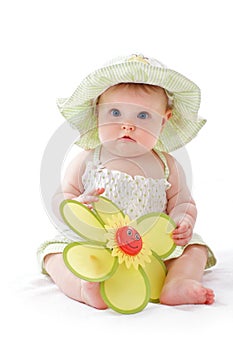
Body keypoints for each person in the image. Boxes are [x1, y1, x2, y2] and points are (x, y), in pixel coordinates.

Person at [38, 54, 216, 309]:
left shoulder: (168, 166)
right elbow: (62, 198)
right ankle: (83, 288)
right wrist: (76, 204)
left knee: (195, 248)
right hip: (96, 245)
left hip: (151, 249)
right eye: (115, 112)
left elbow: (184, 202)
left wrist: (183, 220)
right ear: (97, 112)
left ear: (163, 121)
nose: (127, 125)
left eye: (142, 116)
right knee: (54, 253)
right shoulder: (88, 159)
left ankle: (177, 283)